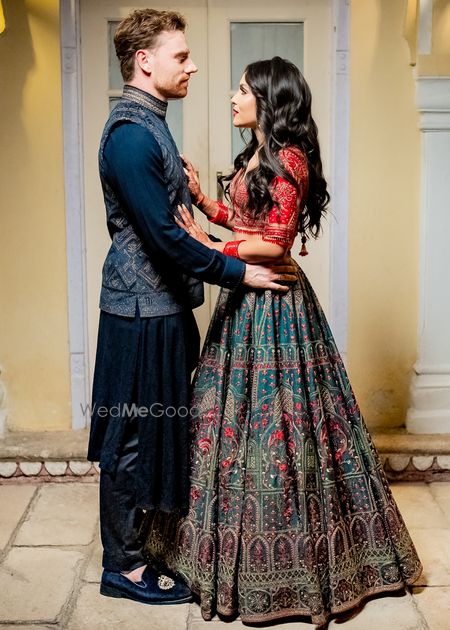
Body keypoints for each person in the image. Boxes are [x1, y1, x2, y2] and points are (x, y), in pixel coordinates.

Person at [144, 57, 422, 625]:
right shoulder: (258, 156)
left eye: (243, 89)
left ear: (269, 99)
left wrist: (208, 247)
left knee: (282, 429)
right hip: (243, 298)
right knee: (228, 426)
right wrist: (202, 204)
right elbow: (247, 221)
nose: (232, 95)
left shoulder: (290, 159)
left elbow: (275, 243)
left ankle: (301, 569)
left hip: (274, 305)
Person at [86, 10, 296, 606]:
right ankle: (122, 569)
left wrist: (204, 206)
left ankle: (141, 549)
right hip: (138, 312)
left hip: (159, 306)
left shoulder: (150, 122)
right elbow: (164, 236)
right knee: (129, 434)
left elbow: (179, 224)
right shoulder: (130, 132)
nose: (194, 66)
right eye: (181, 56)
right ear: (144, 62)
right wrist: (240, 271)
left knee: (153, 430)